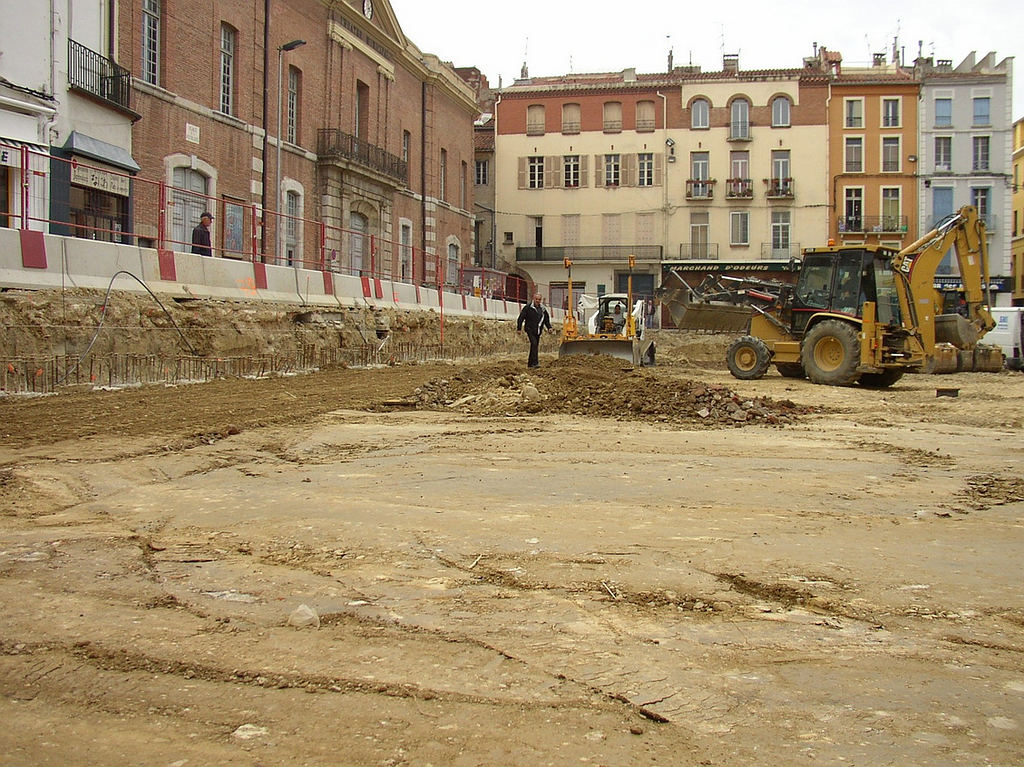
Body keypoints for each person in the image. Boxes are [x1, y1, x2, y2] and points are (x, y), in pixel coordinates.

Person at [517, 293, 552, 368]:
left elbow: (546, 319)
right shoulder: (528, 307)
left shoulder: (543, 309)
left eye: (539, 299)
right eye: (536, 299)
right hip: (530, 329)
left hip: (538, 330)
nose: (537, 301)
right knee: (534, 344)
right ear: (533, 298)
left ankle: (531, 363)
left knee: (535, 345)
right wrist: (519, 328)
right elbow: (521, 317)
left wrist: (549, 327)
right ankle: (535, 363)